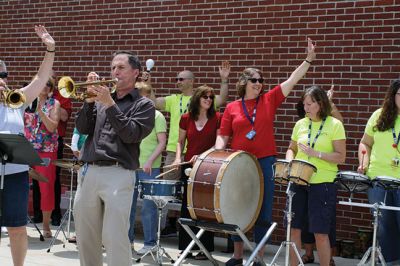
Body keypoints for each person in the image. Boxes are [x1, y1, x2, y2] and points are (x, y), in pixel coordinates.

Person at [215, 38, 316, 266]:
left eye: (261, 80)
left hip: (264, 162)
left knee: (263, 210)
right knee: (237, 207)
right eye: (254, 80)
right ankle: (238, 255)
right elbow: (223, 136)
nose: (259, 83)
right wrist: (217, 155)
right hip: (238, 163)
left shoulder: (269, 99)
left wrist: (308, 59)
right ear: (244, 82)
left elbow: (292, 80)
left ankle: (258, 256)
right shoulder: (232, 107)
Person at [73, 51, 155, 266]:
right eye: (112, 68)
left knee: (115, 237)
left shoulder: (144, 105)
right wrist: (90, 101)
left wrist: (109, 104)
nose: (114, 72)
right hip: (89, 170)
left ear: (135, 73)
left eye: (120, 68)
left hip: (118, 173)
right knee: (86, 237)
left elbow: (130, 134)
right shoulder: (100, 101)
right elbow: (82, 128)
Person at [151, 61, 230, 236]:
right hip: (176, 152)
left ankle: (196, 234)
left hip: (203, 158)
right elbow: (155, 102)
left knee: (197, 195)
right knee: (171, 189)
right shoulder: (175, 101)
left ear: (191, 81)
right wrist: (149, 85)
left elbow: (222, 100)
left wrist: (224, 80)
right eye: (176, 79)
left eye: (181, 79)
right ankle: (169, 224)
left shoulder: (210, 108)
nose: (177, 81)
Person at [0, 25, 55, 266]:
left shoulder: (16, 100)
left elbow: (40, 79)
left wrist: (49, 49)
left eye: (3, 76)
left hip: (14, 174)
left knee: (17, 227)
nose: (2, 81)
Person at [286, 86, 346, 266]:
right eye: (304, 104)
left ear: (320, 104)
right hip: (298, 180)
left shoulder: (335, 125)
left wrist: (316, 154)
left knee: (320, 232)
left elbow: (341, 157)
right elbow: (292, 148)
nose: (306, 108)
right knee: (294, 229)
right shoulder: (300, 124)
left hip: (322, 184)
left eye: (310, 104)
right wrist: (290, 161)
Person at [173, 85, 221, 260]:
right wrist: (178, 158)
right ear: (197, 99)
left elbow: (219, 144)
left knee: (205, 208)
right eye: (205, 97)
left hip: (209, 167)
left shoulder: (217, 118)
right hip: (188, 167)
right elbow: (180, 142)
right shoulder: (186, 118)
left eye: (211, 97)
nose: (208, 100)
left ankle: (204, 249)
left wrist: (202, 156)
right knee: (187, 207)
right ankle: (186, 248)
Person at [357, 79, 400, 265]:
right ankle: (390, 261)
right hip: (378, 180)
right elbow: (365, 143)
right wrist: (363, 163)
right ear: (393, 95)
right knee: (384, 226)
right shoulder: (378, 116)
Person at [128, 79, 167, 255]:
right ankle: (127, 241)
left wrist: (150, 161)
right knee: (127, 205)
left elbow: (162, 143)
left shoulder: (157, 116)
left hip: (150, 168)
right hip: (131, 166)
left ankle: (150, 243)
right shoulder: (130, 113)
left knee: (148, 207)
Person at [24, 78, 61, 238]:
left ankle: (46, 225)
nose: (45, 86)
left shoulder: (55, 104)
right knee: (18, 184)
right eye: (42, 83)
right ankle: (16, 222)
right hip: (25, 149)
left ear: (51, 88)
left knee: (46, 188)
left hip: (46, 150)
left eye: (48, 84)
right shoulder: (26, 101)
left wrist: (40, 111)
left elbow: (53, 126)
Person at [51, 69, 72, 226]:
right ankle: (38, 213)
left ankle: (55, 214)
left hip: (55, 140)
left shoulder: (62, 95)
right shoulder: (38, 93)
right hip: (38, 141)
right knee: (37, 177)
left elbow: (64, 116)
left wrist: (52, 99)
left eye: (51, 79)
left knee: (54, 178)